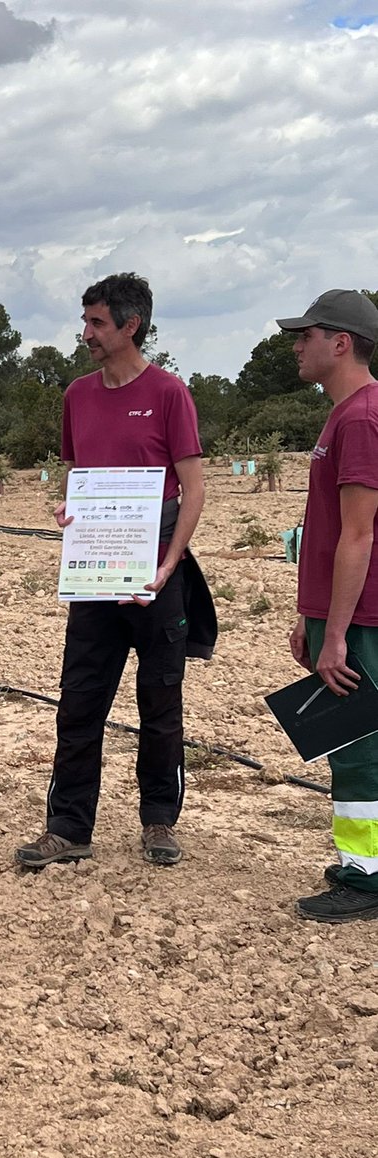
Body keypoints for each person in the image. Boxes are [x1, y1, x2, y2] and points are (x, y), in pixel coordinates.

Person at [15, 273, 208, 871]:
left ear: (132, 326)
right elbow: (79, 474)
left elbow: (195, 488)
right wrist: (69, 509)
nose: (87, 334)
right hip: (96, 576)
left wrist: (170, 563)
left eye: (98, 323)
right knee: (79, 703)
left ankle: (158, 824)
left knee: (160, 701)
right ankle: (69, 828)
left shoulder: (170, 393)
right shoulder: (76, 395)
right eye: (86, 321)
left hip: (156, 577)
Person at [276, 288, 378, 922]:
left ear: (340, 342)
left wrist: (335, 633)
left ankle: (365, 878)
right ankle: (359, 861)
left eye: (305, 336)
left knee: (360, 743)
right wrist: (309, 616)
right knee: (351, 741)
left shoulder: (362, 418)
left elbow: (360, 532)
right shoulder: (343, 414)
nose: (296, 346)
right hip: (338, 614)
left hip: (361, 618)